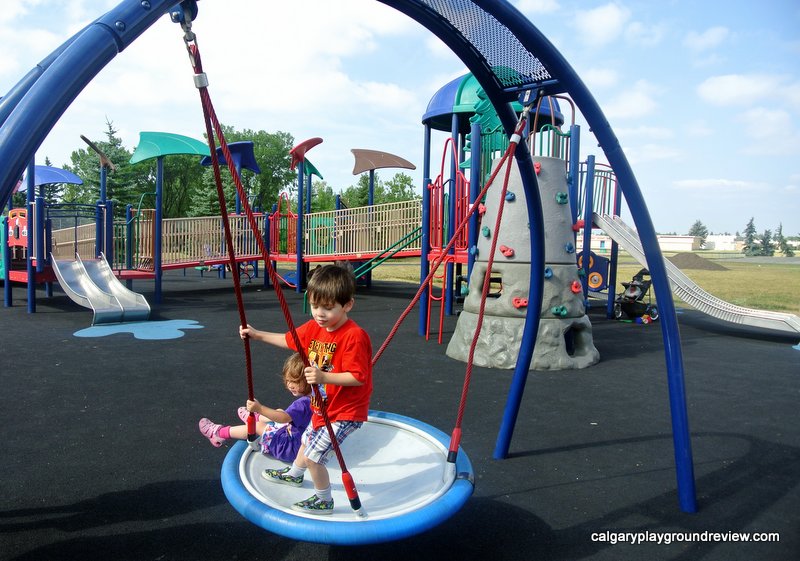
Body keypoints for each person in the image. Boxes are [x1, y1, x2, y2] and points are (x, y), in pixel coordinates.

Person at [240, 264, 373, 516]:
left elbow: (358, 377)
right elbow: (288, 339)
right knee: (306, 440)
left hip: (346, 411)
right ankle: (294, 474)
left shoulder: (354, 336)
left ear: (347, 305)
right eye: (315, 306)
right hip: (323, 407)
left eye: (328, 307)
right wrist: (257, 335)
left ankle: (324, 500)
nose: (320, 313)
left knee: (314, 455)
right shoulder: (314, 328)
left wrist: (324, 376)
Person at [198, 353, 312, 464]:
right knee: (279, 411)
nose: (290, 385)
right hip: (304, 442)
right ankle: (257, 417)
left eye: (295, 381)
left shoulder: (303, 404)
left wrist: (259, 408)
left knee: (259, 426)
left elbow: (283, 418)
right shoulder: (318, 396)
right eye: (288, 381)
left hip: (291, 449)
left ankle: (218, 434)